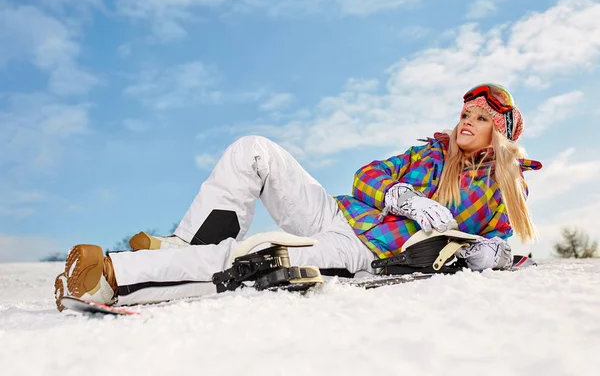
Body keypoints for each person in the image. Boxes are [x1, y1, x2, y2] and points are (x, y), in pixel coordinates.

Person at [53, 83, 542, 311]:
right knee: (255, 151)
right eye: (465, 111)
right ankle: (186, 246)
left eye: (479, 116)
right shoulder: (430, 153)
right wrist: (405, 198)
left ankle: (110, 277)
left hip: (364, 251)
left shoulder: (499, 185)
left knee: (258, 257)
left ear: (499, 132)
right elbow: (366, 178)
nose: (466, 119)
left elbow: (497, 241)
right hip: (337, 213)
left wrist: (480, 251)